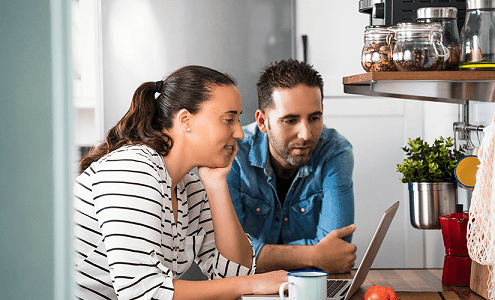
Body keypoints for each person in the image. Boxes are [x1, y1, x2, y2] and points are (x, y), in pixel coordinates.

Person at [73, 65, 287, 300]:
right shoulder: (133, 169)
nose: (239, 133)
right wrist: (251, 283)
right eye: (228, 119)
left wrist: (216, 186)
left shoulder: (189, 189)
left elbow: (235, 273)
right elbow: (143, 292)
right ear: (185, 120)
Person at [228, 59, 357, 274]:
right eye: (290, 120)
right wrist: (315, 255)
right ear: (262, 122)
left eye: (315, 118)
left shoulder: (335, 151)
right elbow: (231, 260)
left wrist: (256, 255)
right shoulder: (234, 153)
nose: (306, 134)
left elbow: (336, 252)